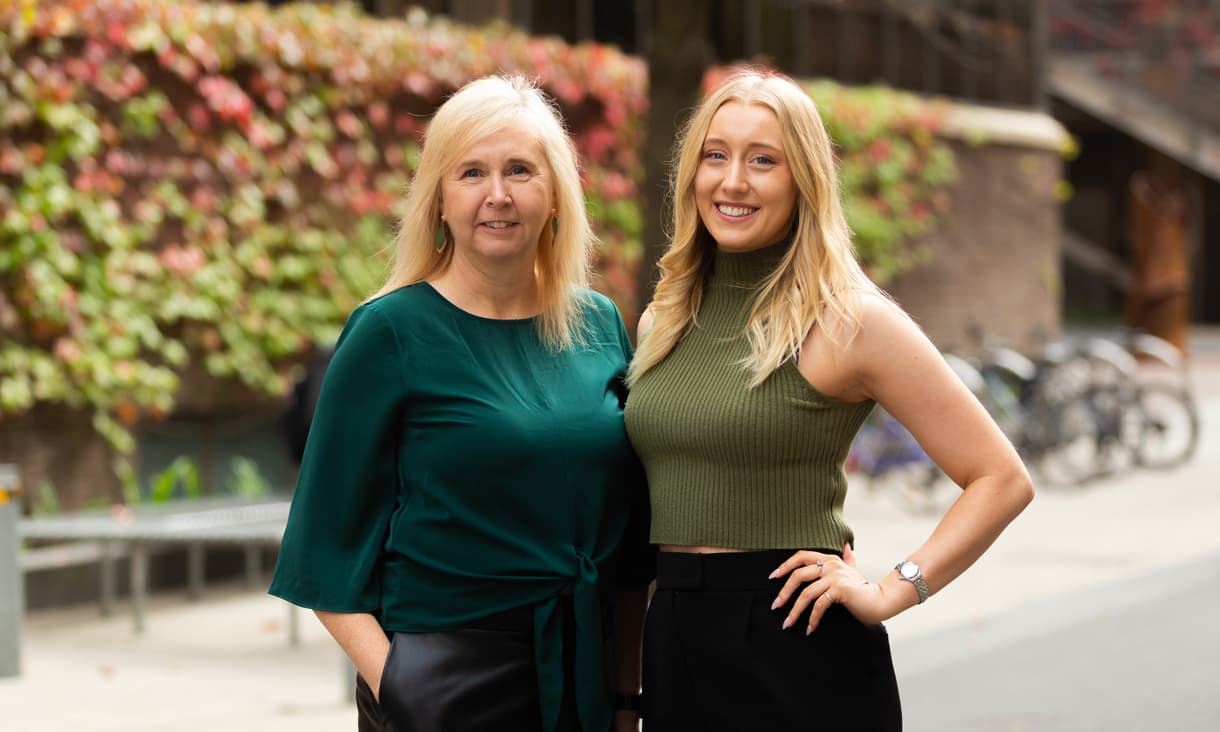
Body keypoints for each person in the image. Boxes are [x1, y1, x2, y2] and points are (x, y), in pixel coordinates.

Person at [623, 68, 1034, 731]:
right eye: (715, 155)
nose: (732, 181)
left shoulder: (848, 319)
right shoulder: (662, 320)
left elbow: (1001, 478)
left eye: (763, 161)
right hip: (676, 636)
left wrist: (894, 590)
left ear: (803, 180)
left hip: (796, 640)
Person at [269, 75, 652, 732]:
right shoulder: (389, 332)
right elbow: (321, 550)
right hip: (445, 683)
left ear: (555, 193)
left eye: (519, 170)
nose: (496, 194)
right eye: (471, 172)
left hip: (581, 671)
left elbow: (627, 546)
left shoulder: (599, 326)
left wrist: (623, 699)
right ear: (439, 200)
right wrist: (406, 687)